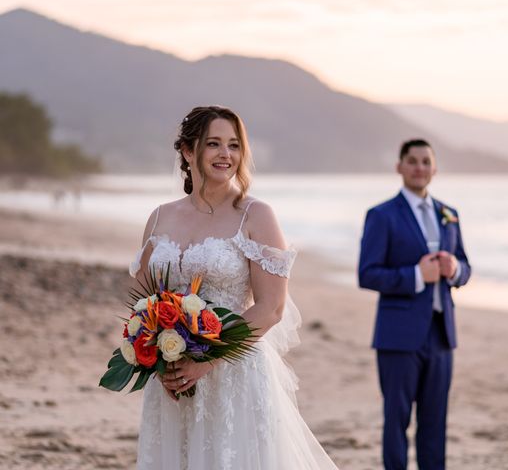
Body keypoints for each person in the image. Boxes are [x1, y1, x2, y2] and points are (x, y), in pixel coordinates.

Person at [129, 106, 338, 469]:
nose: (226, 154)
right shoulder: (160, 216)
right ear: (188, 151)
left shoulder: (255, 215)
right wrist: (158, 360)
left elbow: (271, 307)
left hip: (233, 374)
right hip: (171, 379)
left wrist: (206, 360)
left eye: (234, 145)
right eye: (214, 144)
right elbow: (146, 305)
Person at [358, 139, 471, 470]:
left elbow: (465, 266)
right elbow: (367, 274)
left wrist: (455, 270)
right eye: (412, 161)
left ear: (434, 169)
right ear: (399, 167)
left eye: (425, 162)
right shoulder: (381, 215)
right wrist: (415, 275)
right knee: (396, 419)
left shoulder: (449, 214)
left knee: (435, 421)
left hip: (441, 335)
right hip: (398, 336)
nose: (419, 167)